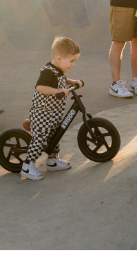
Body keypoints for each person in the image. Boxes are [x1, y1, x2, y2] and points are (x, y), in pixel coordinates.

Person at [20, 37, 85, 181]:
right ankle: (27, 165)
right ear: (60, 58)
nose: (73, 64)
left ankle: (52, 160)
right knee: (41, 136)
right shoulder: (48, 71)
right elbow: (40, 87)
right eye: (72, 61)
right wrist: (57, 91)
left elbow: (62, 79)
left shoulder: (58, 69)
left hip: (54, 112)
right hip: (42, 111)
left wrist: (72, 82)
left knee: (55, 134)